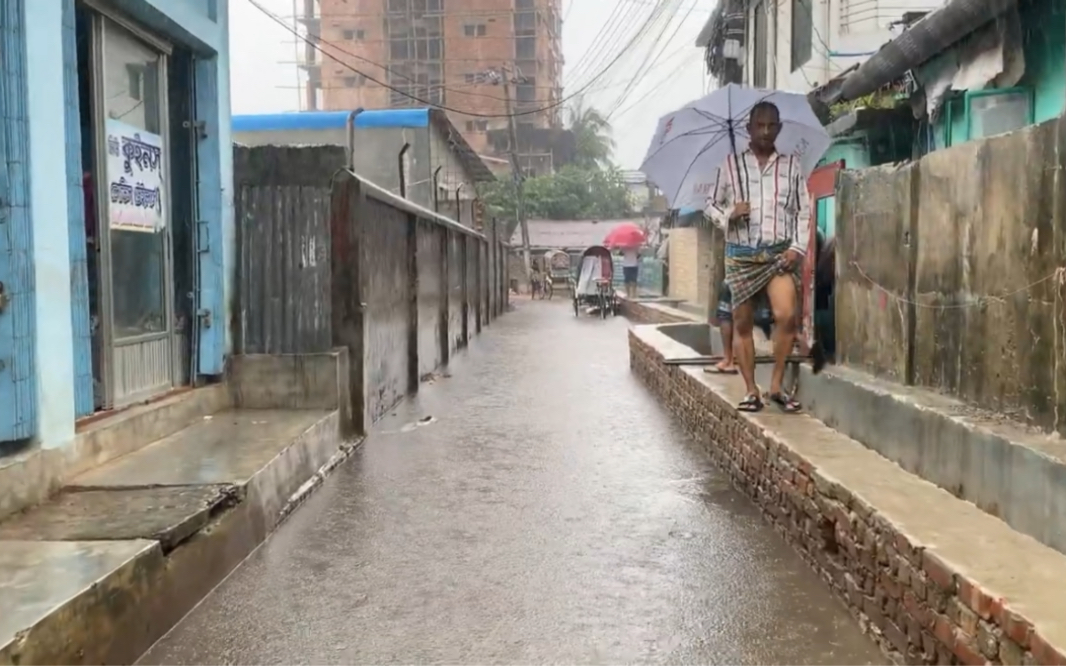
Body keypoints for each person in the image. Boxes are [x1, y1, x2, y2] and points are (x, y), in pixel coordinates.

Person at [705, 101, 810, 413]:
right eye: (759, 125)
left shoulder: (791, 166)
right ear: (748, 129)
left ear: (778, 129)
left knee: (787, 314)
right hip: (741, 256)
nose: (765, 131)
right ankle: (751, 390)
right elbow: (708, 205)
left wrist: (797, 248)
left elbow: (804, 211)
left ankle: (776, 386)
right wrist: (729, 214)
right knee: (742, 323)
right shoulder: (729, 166)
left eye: (771, 126)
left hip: (778, 254)